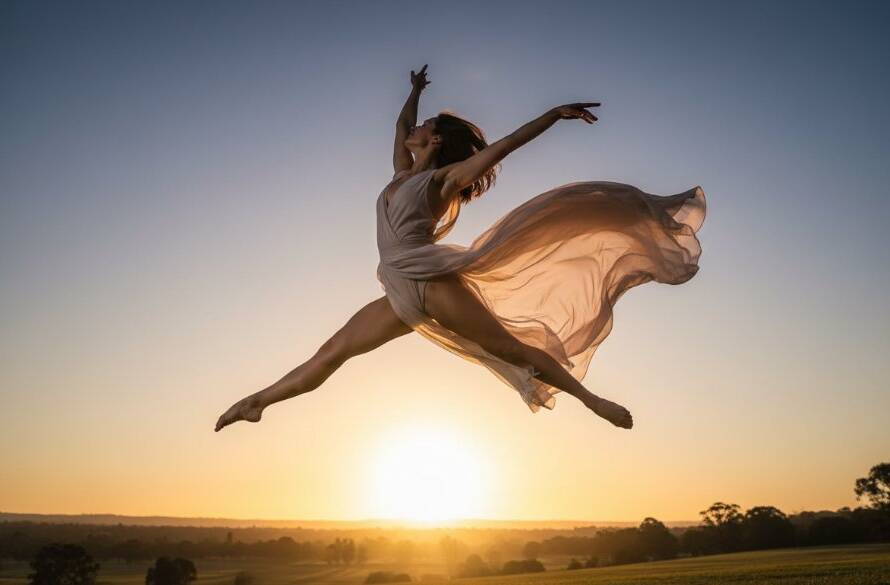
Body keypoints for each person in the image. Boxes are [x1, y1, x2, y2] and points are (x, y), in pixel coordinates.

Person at [215, 64, 705, 432]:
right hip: (399, 288)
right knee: (333, 352)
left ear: (435, 139)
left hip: (428, 283)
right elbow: (397, 126)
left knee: (509, 348)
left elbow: (506, 145)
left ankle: (591, 400)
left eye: (422, 124)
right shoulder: (402, 173)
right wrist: (413, 91)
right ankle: (258, 401)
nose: (413, 127)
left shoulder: (443, 179)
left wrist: (553, 115)